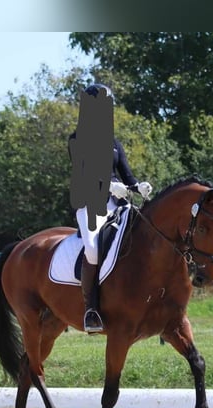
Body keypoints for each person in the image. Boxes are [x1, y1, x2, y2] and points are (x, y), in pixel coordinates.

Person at [68, 83, 152, 333]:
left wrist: (138, 186)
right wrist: (108, 187)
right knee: (93, 250)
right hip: (90, 205)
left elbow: (125, 174)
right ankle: (91, 308)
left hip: (118, 204)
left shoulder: (114, 141)